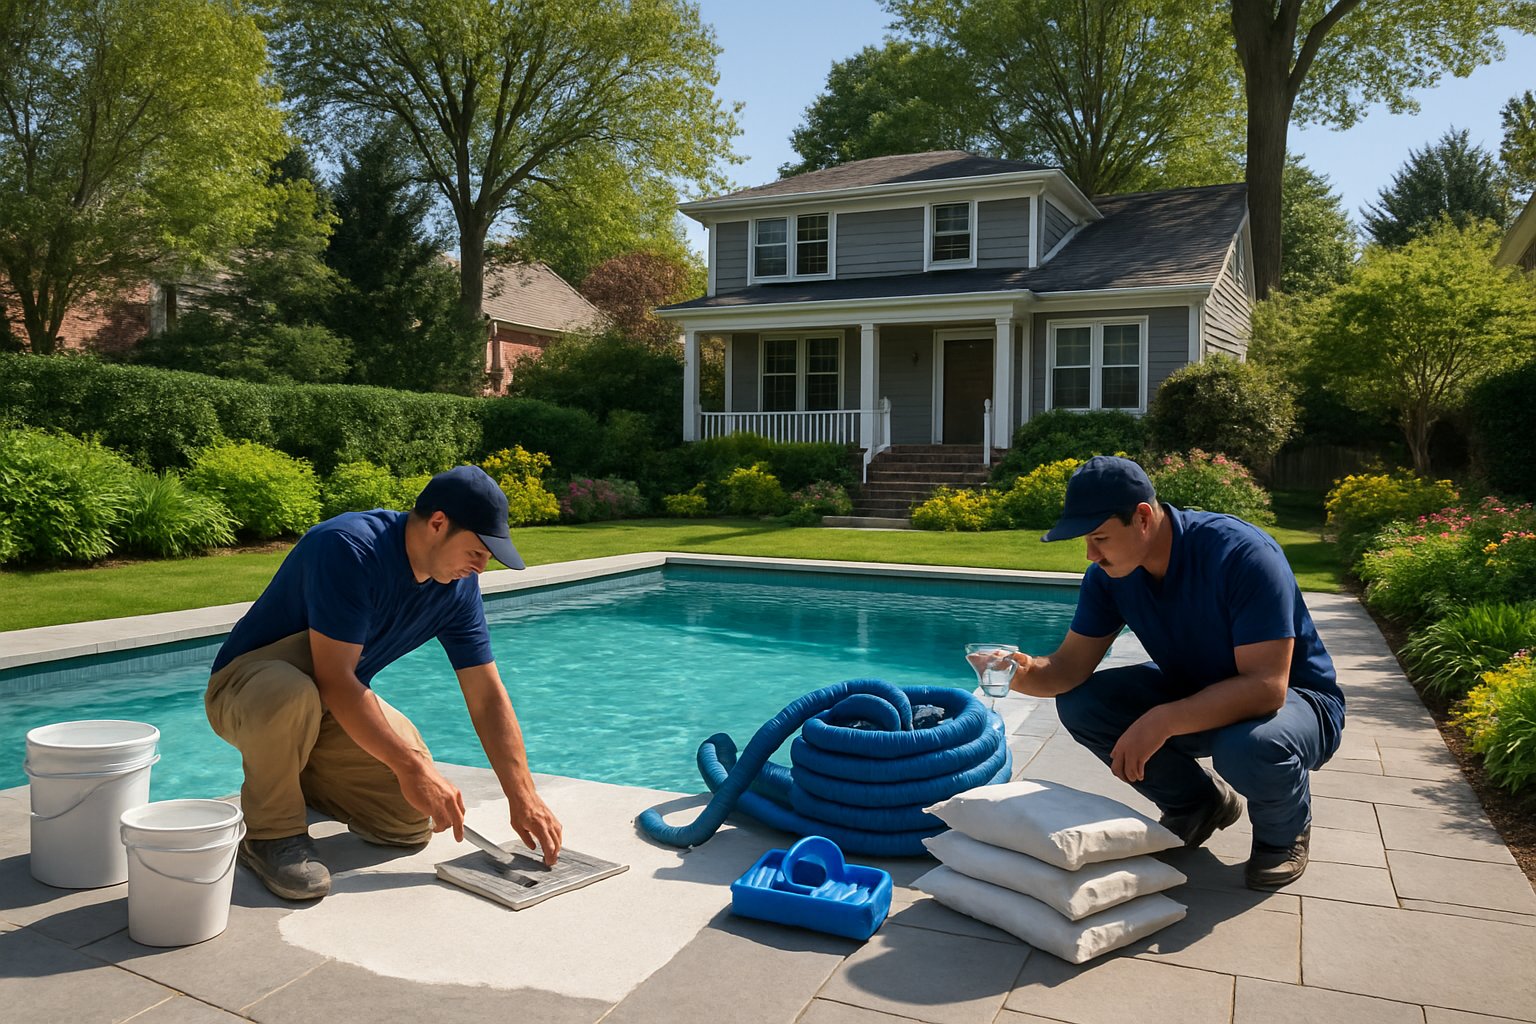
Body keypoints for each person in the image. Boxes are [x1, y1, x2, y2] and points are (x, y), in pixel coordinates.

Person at [204, 465, 563, 900]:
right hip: (249, 687)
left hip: (327, 704)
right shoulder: (349, 548)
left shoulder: (456, 590)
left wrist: (523, 795)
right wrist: (411, 769)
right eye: (479, 551)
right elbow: (336, 679)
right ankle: (271, 837)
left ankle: (300, 773)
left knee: (408, 822)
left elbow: (486, 696)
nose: (482, 567)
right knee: (293, 693)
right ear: (438, 523)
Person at [989, 455, 1345, 889]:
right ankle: (1198, 804)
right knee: (1084, 703)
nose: (1090, 553)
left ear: (1142, 517)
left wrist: (1162, 720)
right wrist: (1018, 670)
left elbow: (1267, 688)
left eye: (1100, 537)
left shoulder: (1242, 554)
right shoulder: (1110, 576)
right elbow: (1067, 669)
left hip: (1297, 702)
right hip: (1195, 687)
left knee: (1248, 746)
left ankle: (1282, 833)